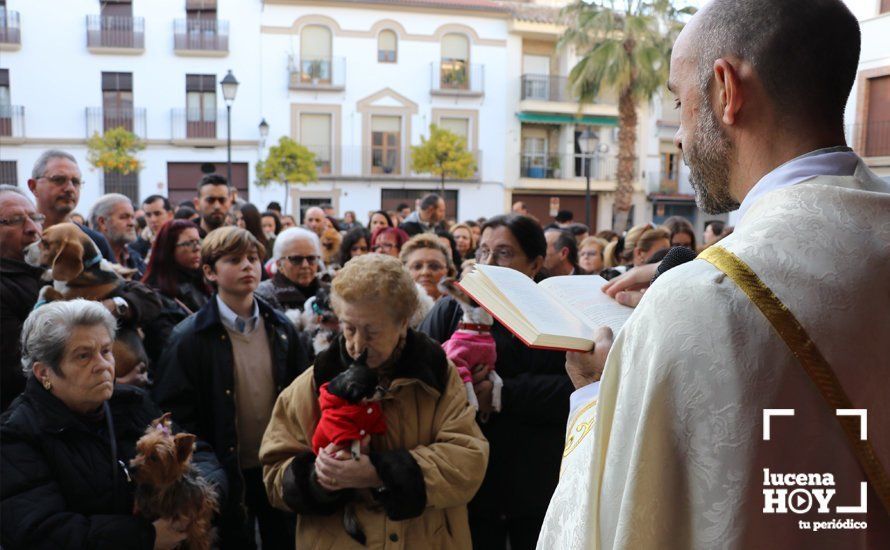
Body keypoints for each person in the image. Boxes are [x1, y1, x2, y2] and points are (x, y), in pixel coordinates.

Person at [538, 1, 890, 548]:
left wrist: (596, 395)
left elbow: (603, 526)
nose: (677, 136)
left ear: (726, 90)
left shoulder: (703, 299)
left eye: (679, 102)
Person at [260, 254, 488, 548]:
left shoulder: (438, 377)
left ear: (404, 322)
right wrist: (319, 478)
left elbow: (469, 460)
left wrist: (379, 472)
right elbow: (273, 474)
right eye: (349, 328)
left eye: (373, 331)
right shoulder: (315, 383)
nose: (357, 344)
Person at [1, 299, 227, 550]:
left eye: (106, 351)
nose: (103, 365)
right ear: (44, 373)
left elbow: (200, 454)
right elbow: (40, 531)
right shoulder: (17, 434)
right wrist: (144, 537)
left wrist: (194, 498)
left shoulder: (132, 403)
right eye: (83, 356)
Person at [419, 214, 574, 550]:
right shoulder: (451, 309)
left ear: (534, 264)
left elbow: (574, 387)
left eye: (503, 253)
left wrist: (504, 393)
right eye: (483, 251)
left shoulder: (558, 315)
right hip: (470, 478)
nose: (488, 262)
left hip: (536, 477)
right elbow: (418, 372)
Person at [153, 227, 308, 548]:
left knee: (285, 538)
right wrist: (204, 470)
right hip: (224, 468)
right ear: (209, 271)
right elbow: (175, 413)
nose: (247, 266)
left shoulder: (281, 327)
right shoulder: (189, 338)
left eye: (252, 258)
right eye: (234, 260)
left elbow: (301, 392)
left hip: (277, 463)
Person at [0, 185, 45, 411]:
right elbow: (19, 368)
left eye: (35, 217)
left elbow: (143, 296)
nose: (32, 228)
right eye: (15, 220)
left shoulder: (54, 265)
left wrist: (117, 306)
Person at [27, 149, 114, 262]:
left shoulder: (94, 242)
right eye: (58, 180)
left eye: (75, 182)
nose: (70, 188)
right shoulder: (21, 237)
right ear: (33, 186)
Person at [142, 219, 210, 315]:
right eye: (189, 243)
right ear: (169, 249)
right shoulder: (155, 294)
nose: (197, 248)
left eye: (198, 242)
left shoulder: (202, 280)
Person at [255, 227, 323, 312]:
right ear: (279, 264)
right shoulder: (263, 296)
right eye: (296, 259)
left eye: (311, 258)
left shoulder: (330, 292)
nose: (305, 265)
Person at [90, 193, 146, 277]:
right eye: (124, 217)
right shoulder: (88, 260)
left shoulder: (136, 259)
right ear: (102, 222)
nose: (132, 223)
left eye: (132, 217)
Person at [399, 234, 454, 302]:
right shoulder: (392, 309)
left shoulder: (460, 310)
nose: (425, 272)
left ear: (448, 272)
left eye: (434, 266)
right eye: (417, 266)